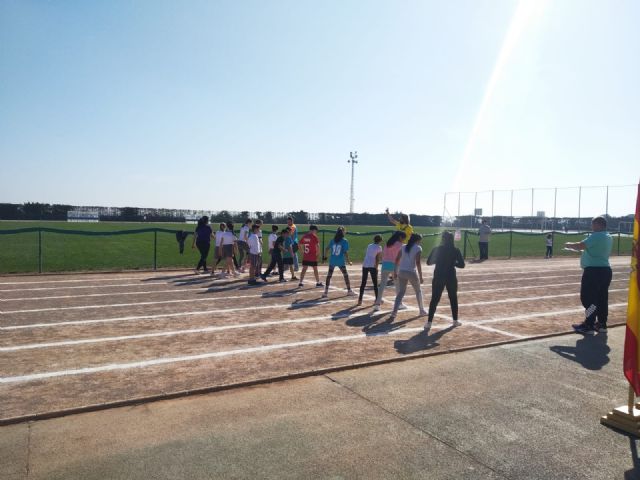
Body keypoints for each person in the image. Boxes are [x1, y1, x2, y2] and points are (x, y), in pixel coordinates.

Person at [566, 216, 613, 334]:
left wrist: (569, 244)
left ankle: (589, 324)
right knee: (602, 299)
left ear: (598, 224)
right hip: (605, 271)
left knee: (588, 299)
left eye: (593, 224)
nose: (591, 227)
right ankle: (602, 324)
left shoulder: (597, 236)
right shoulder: (608, 236)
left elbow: (580, 245)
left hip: (593, 272)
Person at [424, 231, 465, 331]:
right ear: (452, 239)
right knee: (453, 298)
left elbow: (428, 262)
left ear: (443, 239)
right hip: (450, 276)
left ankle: (429, 322)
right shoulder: (455, 250)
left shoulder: (437, 249)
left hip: (438, 276)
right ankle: (455, 321)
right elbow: (462, 265)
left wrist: (437, 260)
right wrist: (454, 263)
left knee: (434, 299)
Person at [389, 233, 427, 319]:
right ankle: (421, 310)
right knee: (418, 291)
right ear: (417, 240)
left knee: (400, 293)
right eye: (420, 240)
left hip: (401, 271)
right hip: (411, 272)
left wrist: (395, 271)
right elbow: (418, 263)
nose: (420, 242)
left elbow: (397, 259)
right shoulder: (418, 248)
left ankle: (394, 312)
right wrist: (421, 276)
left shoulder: (403, 247)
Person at [373, 231, 406, 312]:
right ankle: (399, 304)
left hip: (385, 265)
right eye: (403, 238)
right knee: (398, 286)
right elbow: (401, 256)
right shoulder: (400, 245)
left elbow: (383, 255)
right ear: (400, 237)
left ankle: (377, 304)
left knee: (382, 286)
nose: (404, 240)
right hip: (394, 265)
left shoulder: (388, 243)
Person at [321, 227, 355, 298]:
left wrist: (325, 258)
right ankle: (349, 291)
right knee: (345, 275)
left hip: (332, 261)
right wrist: (348, 261)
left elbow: (327, 249)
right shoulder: (344, 241)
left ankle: (325, 292)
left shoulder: (333, 240)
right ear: (342, 233)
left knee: (329, 276)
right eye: (344, 231)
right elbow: (345, 252)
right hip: (340, 261)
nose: (345, 232)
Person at [358, 235, 383, 306]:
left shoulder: (369, 245)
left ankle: (360, 300)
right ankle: (377, 300)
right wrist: (377, 267)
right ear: (380, 241)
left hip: (365, 264)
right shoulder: (379, 247)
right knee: (375, 284)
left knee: (363, 283)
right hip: (372, 265)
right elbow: (378, 258)